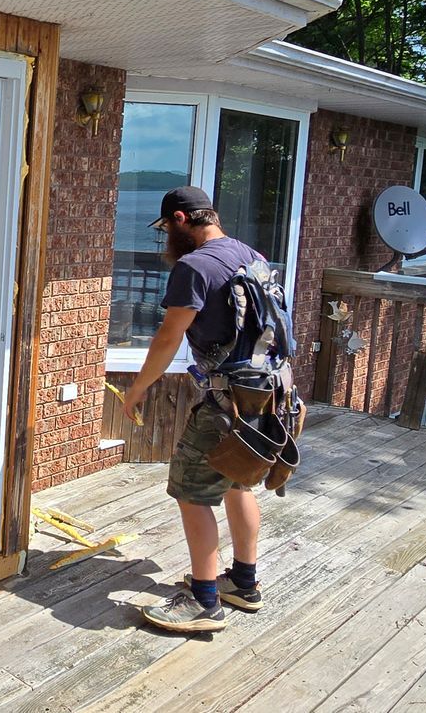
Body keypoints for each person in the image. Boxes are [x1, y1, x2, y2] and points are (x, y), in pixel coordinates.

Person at [123, 186, 268, 634]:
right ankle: (243, 583)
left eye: (167, 227)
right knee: (237, 482)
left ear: (182, 220)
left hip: (226, 403)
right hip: (265, 396)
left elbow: (168, 338)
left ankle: (205, 601)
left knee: (191, 492)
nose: (166, 237)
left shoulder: (193, 266)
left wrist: (138, 389)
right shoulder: (250, 255)